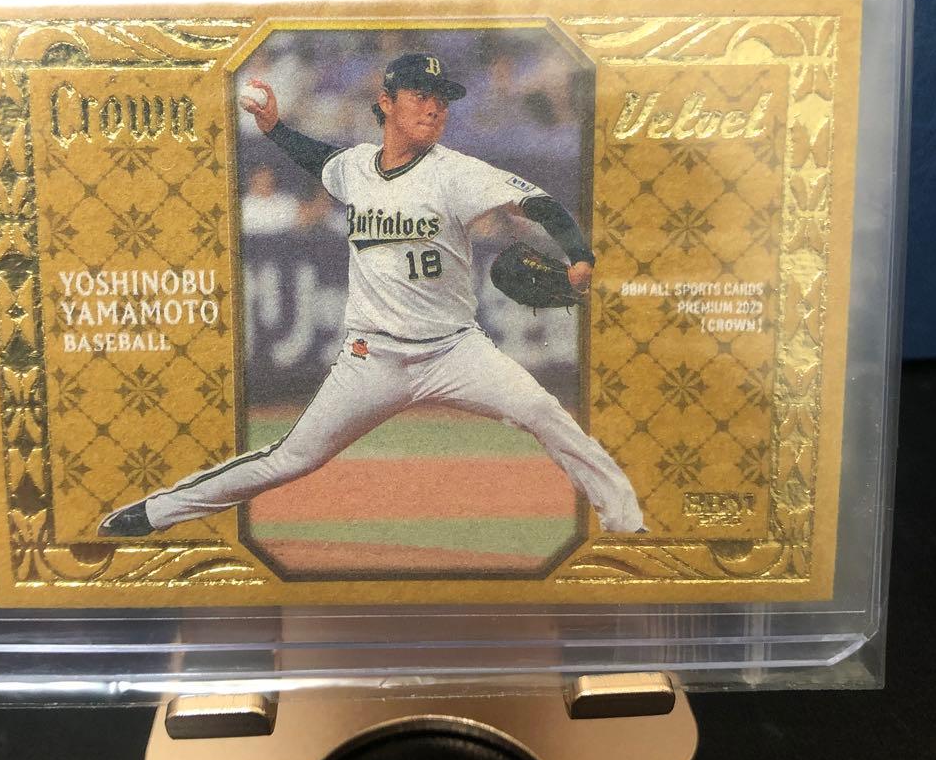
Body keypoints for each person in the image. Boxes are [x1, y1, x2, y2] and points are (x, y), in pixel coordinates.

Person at [99, 53, 644, 537]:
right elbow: (319, 158)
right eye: (420, 95)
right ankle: (156, 512)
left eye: (442, 98)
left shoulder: (457, 173)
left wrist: (579, 255)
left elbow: (541, 204)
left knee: (544, 411)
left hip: (455, 351)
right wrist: (274, 128)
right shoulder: (356, 167)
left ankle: (628, 525)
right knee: (290, 458)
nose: (434, 107)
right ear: (386, 102)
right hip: (372, 357)